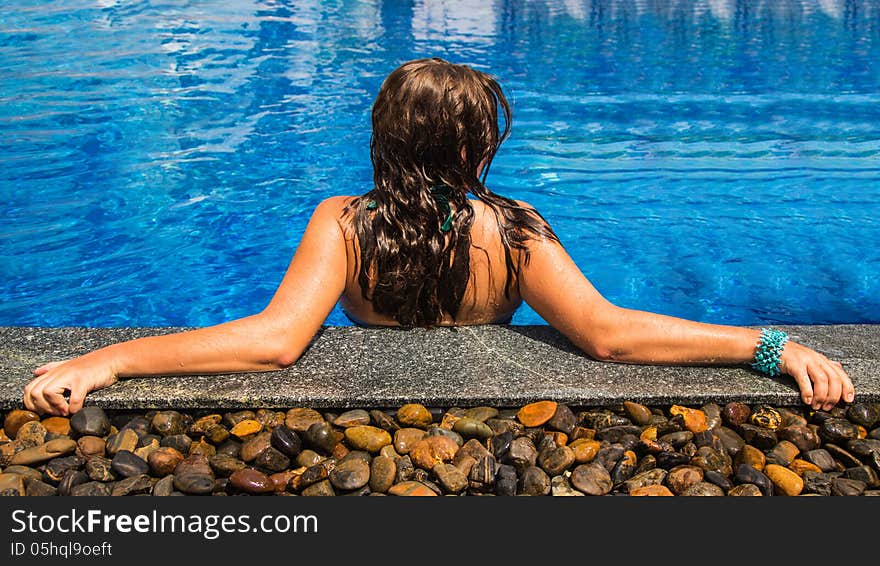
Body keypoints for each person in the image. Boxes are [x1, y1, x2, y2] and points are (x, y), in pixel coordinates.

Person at [23, 58, 854, 416]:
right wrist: (767, 345)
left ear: (385, 138)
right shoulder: (515, 229)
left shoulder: (343, 224)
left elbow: (275, 344)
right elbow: (610, 336)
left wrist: (113, 357)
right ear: (467, 148)